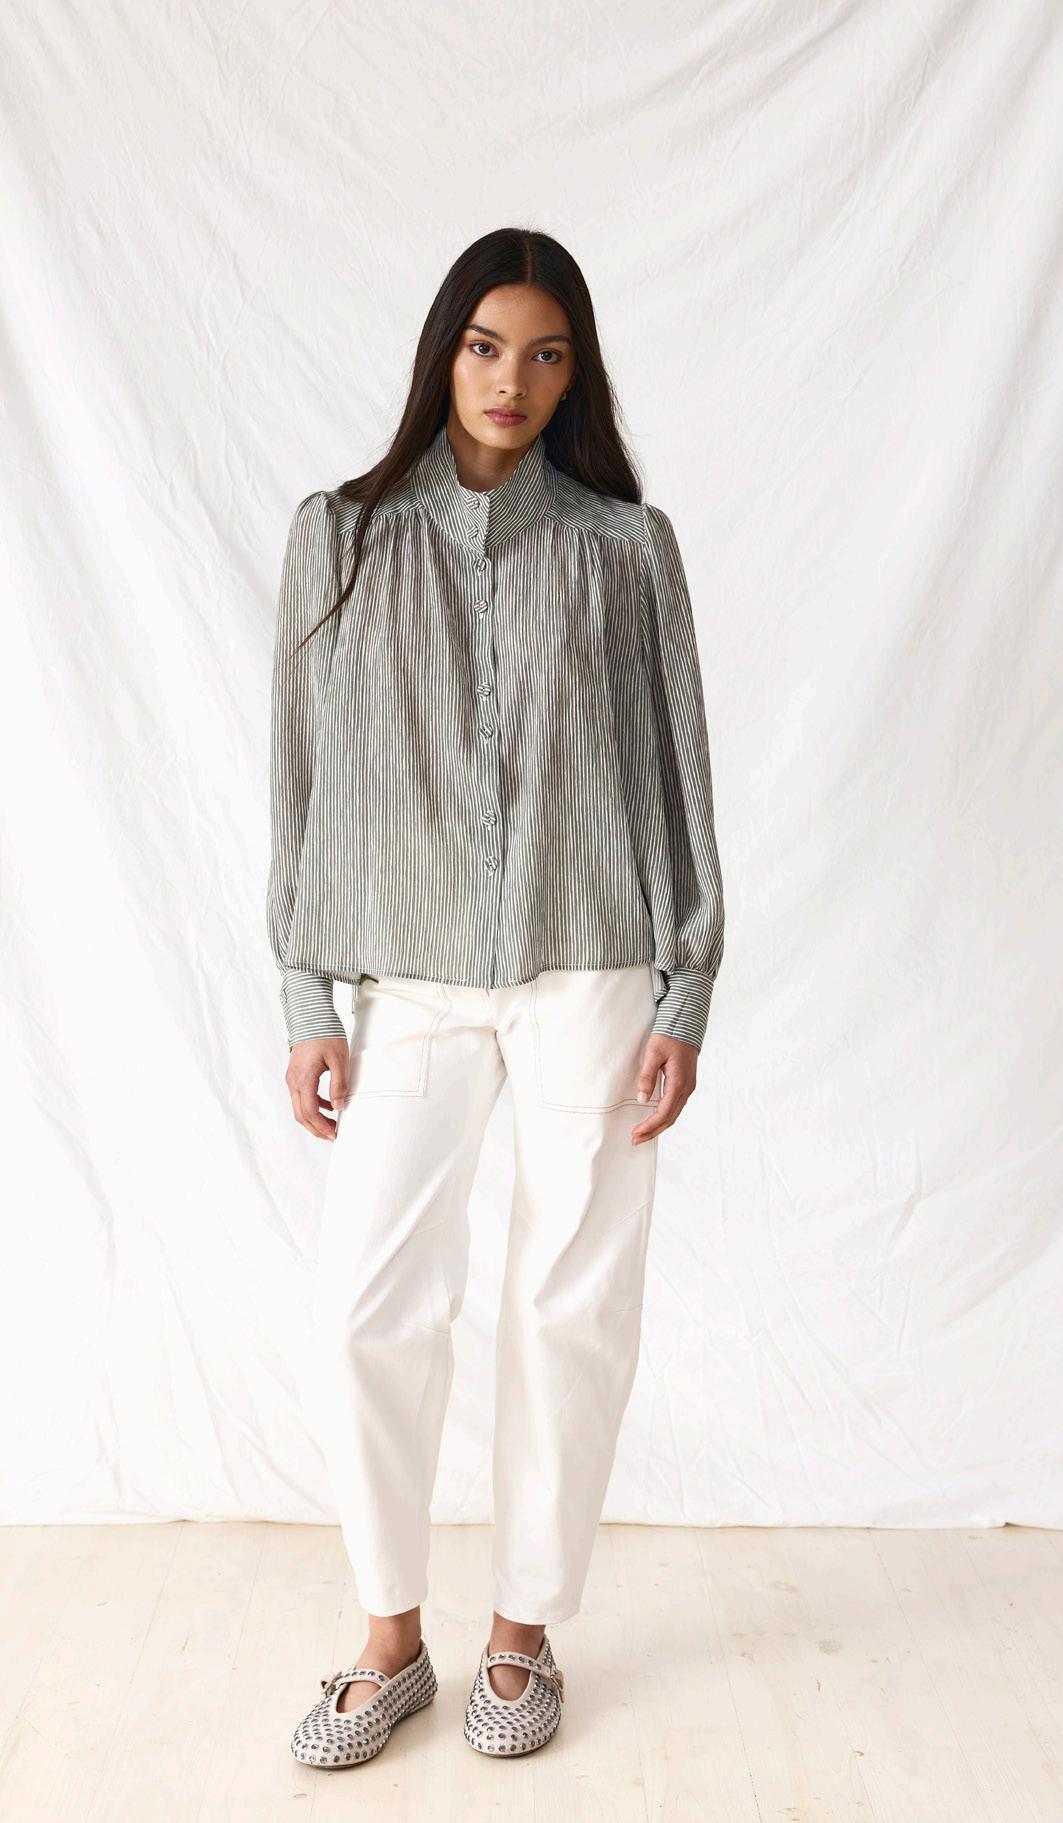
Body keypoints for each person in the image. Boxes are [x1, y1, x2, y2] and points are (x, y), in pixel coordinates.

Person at [269, 226, 725, 1768]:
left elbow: (677, 776)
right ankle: (388, 1637)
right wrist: (305, 995)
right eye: (483, 346)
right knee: (367, 1303)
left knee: (565, 1304)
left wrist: (685, 990)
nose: (509, 380)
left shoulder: (623, 549)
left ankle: (521, 1631)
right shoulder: (341, 535)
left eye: (544, 353)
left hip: (591, 960)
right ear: (441, 353)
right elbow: (299, 781)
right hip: (405, 971)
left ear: (574, 371)